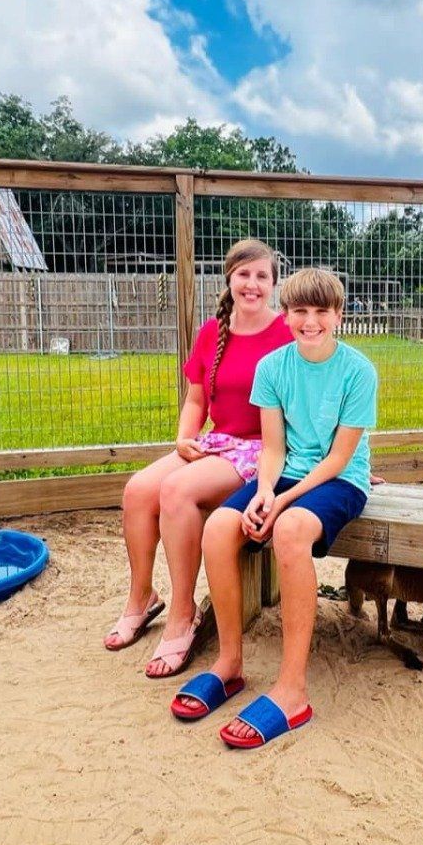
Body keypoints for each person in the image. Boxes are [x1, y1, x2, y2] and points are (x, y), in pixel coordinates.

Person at [170, 267, 378, 748]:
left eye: (321, 311)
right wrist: (265, 490)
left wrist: (281, 503)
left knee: (289, 530)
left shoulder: (358, 371)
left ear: (339, 316)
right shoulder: (272, 368)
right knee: (218, 528)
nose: (310, 321)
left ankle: (292, 690)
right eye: (299, 310)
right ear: (285, 315)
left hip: (339, 478)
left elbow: (339, 458)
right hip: (284, 471)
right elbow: (272, 449)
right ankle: (229, 663)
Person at [104, 238, 292, 678]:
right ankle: (141, 597)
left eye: (262, 276)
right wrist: (184, 437)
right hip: (219, 441)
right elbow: (195, 400)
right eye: (243, 274)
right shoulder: (213, 331)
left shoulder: (286, 332)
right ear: (229, 278)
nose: (252, 284)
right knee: (137, 490)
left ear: (274, 284)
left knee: (176, 490)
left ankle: (183, 613)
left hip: (261, 448)